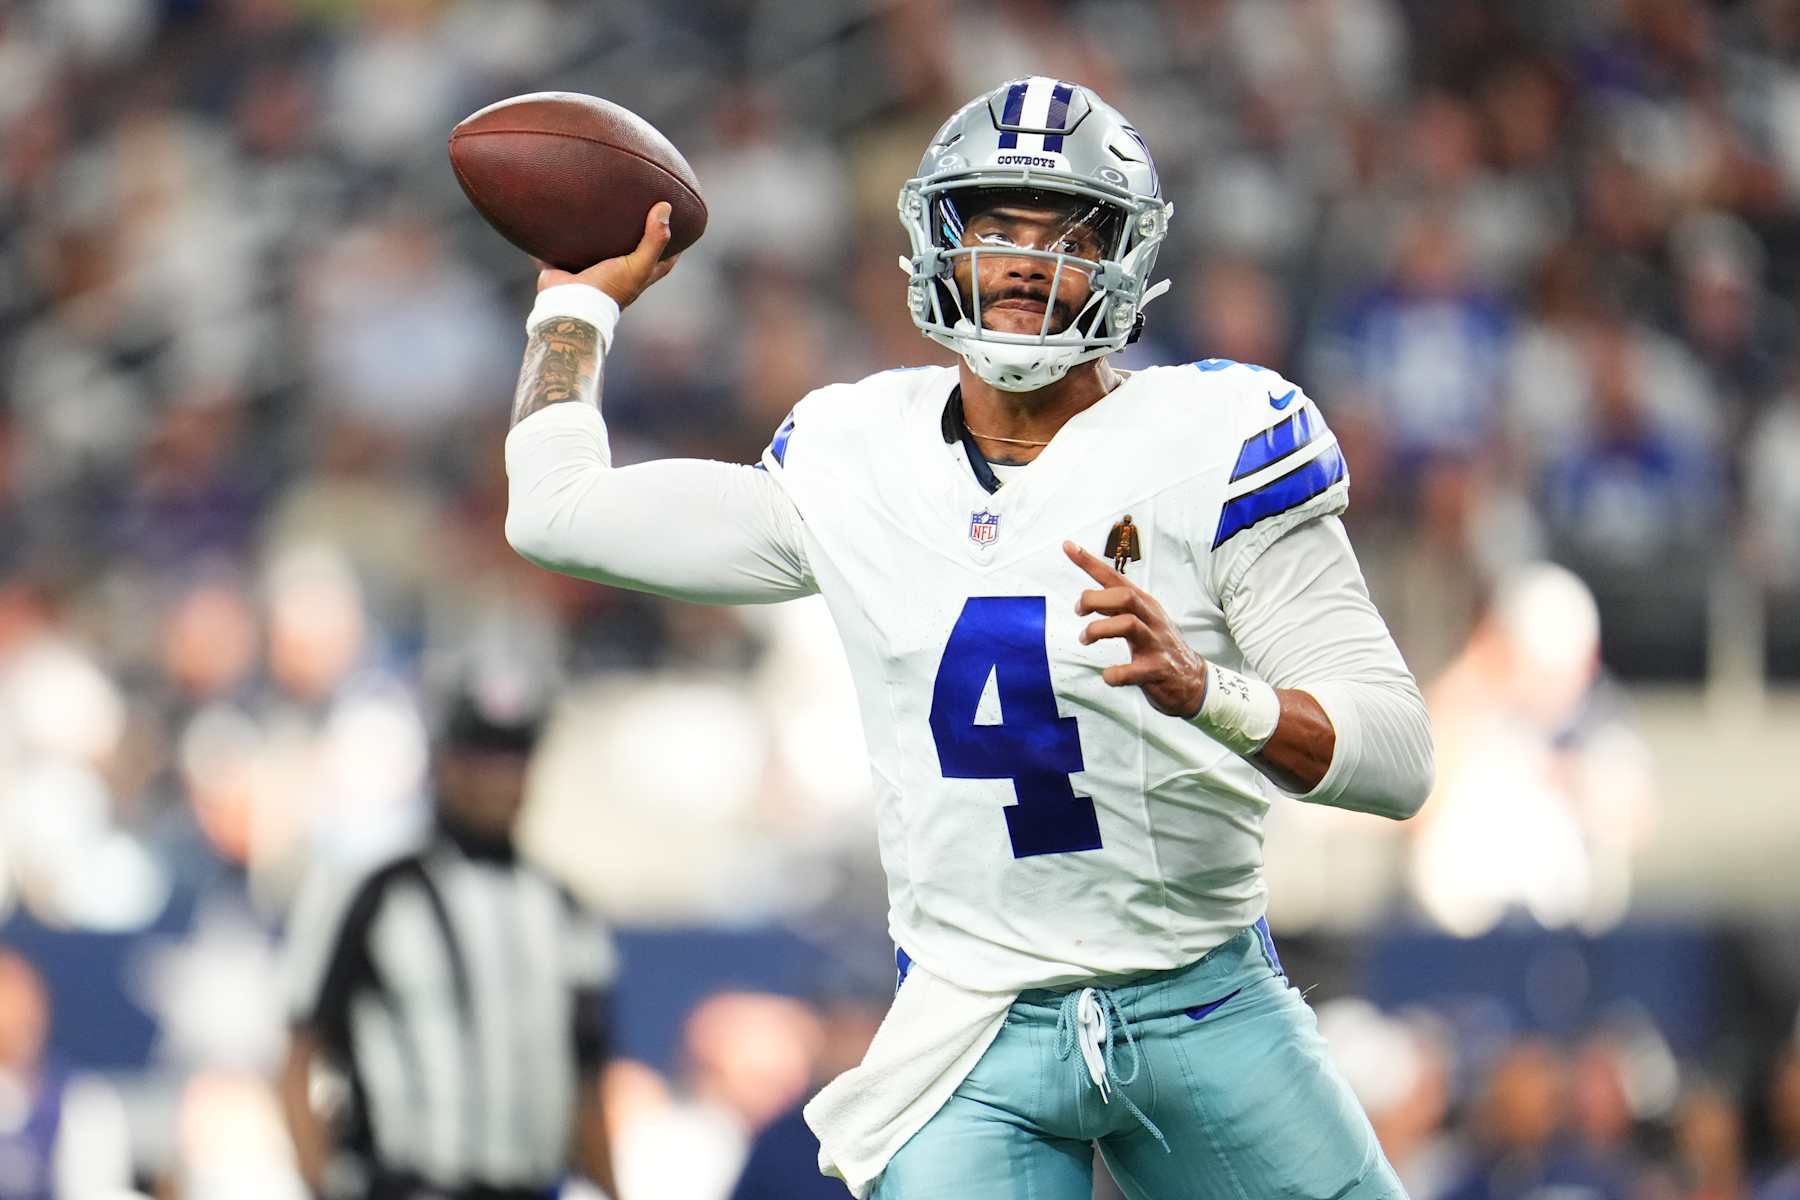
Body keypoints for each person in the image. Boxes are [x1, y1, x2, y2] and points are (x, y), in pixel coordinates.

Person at [503, 76, 1434, 1199]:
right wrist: (573, 308)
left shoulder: (1220, 438)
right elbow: (554, 514)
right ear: (943, 244)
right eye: (998, 229)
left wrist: (1209, 693)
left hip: (1200, 999)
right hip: (969, 1028)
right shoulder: (854, 453)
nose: (1030, 262)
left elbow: (1395, 757)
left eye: (1069, 233)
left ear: (1128, 256)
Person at [278, 684, 619, 1200]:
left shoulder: (564, 910)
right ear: (446, 765)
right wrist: (320, 1183)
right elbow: (300, 1055)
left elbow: (588, 1083)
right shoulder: (376, 893)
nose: (501, 780)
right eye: (484, 758)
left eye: (515, 758)